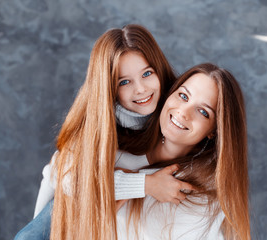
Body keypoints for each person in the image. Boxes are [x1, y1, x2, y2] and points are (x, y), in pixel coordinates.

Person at [14, 24, 194, 240]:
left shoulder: (175, 109)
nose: (141, 89)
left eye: (147, 73)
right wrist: (147, 184)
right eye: (124, 82)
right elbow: (69, 181)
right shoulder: (95, 120)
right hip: (69, 206)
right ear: (109, 87)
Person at [115, 63, 251, 240]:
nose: (183, 112)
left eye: (203, 111)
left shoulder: (199, 194)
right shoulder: (119, 137)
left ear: (214, 131)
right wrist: (146, 184)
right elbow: (71, 180)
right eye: (183, 96)